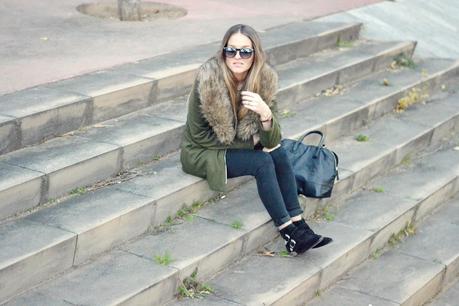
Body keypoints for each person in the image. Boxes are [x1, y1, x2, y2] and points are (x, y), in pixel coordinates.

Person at [180, 24, 332, 254]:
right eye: (231, 51)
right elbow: (198, 136)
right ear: (223, 52)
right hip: (202, 152)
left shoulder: (264, 82)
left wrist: (265, 114)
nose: (237, 57)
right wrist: (249, 143)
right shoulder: (208, 80)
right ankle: (288, 232)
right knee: (261, 162)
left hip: (230, 147)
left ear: (255, 54)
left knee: (278, 152)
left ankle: (300, 224)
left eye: (245, 51)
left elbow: (273, 139)